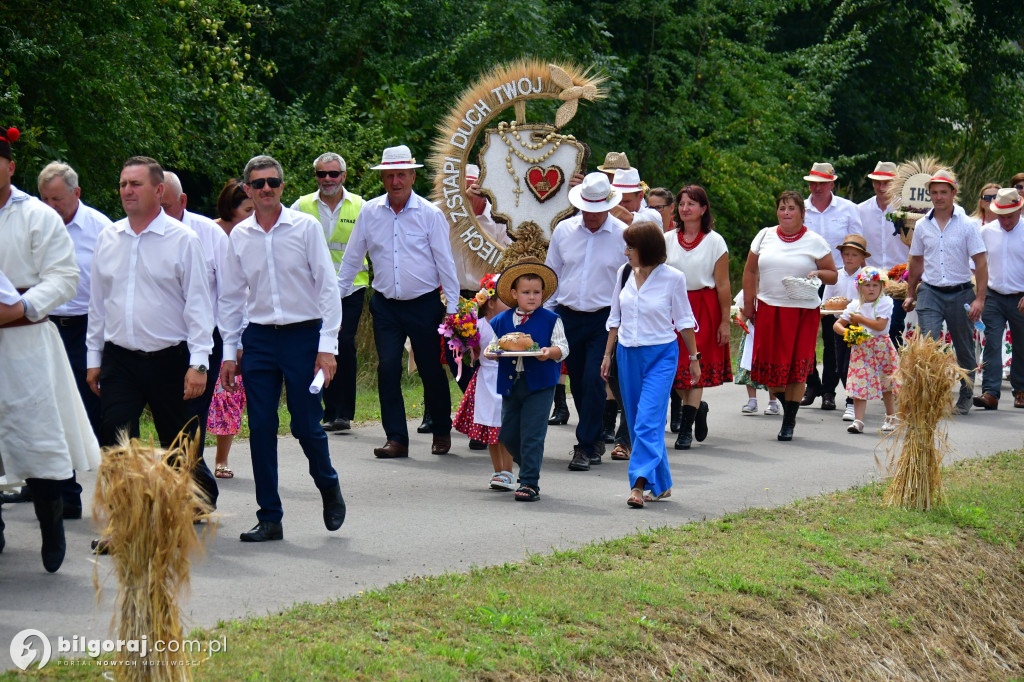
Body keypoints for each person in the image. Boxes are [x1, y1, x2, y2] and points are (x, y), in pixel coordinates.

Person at [219, 154, 346, 542]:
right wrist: (229, 349)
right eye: (258, 184)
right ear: (248, 191)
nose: (266, 189)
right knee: (259, 427)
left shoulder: (304, 228)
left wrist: (328, 346)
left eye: (273, 182)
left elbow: (328, 287)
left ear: (283, 186)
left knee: (306, 425)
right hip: (258, 339)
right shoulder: (239, 237)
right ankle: (270, 516)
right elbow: (231, 297)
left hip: (303, 337)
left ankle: (328, 485)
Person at [86, 156, 218, 509]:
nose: (127, 190)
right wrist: (93, 359)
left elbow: (199, 307)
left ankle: (184, 510)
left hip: (170, 360)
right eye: (123, 184)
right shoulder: (108, 237)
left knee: (181, 443)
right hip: (120, 359)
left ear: (159, 190)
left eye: (136, 184)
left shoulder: (183, 240)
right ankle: (124, 522)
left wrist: (199, 363)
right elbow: (98, 305)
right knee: (116, 443)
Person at [0, 127, 100, 572]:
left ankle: (51, 521)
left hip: (26, 343)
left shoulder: (36, 215)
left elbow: (65, 277)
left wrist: (23, 306)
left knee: (37, 437)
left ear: (10, 166)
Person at [337, 145, 460, 458]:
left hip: (425, 304)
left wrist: (454, 310)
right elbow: (352, 259)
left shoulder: (430, 214)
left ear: (412, 176)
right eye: (390, 175)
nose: (395, 181)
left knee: (431, 368)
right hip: (386, 305)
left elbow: (446, 263)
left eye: (401, 175)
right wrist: (334, 300)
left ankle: (441, 430)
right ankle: (396, 438)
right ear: (383, 178)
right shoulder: (370, 212)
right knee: (388, 367)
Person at [602, 221, 698, 508]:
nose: (625, 252)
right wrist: (608, 355)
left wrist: (694, 359)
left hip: (661, 356)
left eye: (630, 247)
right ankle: (663, 482)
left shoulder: (673, 278)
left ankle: (638, 484)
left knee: (647, 421)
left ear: (646, 249)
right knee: (637, 423)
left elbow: (684, 321)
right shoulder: (623, 274)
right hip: (627, 355)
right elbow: (614, 318)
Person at [34, 160, 111, 517]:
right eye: (45, 199)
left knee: (95, 410)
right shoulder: (33, 225)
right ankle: (66, 493)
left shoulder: (101, 229)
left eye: (58, 199)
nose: (50, 207)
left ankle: (111, 493)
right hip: (44, 326)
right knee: (52, 411)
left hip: (89, 329)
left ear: (76, 193)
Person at [545, 172, 628, 471]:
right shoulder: (564, 231)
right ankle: (593, 440)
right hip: (567, 316)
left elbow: (629, 280)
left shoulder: (622, 234)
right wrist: (547, 316)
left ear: (608, 206)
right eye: (587, 209)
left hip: (604, 320)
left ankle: (583, 446)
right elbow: (551, 275)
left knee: (596, 378)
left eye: (597, 210)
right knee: (579, 382)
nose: (591, 216)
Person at [742, 190, 838, 441]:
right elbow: (750, 271)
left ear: (802, 213)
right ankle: (789, 408)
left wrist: (817, 274)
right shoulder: (765, 235)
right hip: (768, 309)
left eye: (791, 208)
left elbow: (832, 274)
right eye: (782, 208)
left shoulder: (814, 241)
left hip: (802, 312)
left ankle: (789, 421)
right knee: (769, 372)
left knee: (796, 368)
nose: (786, 213)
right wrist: (749, 303)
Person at [292, 152, 366, 433]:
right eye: (321, 174)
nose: (327, 179)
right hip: (313, 291)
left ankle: (342, 413)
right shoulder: (300, 206)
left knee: (343, 345)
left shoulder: (360, 206)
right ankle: (321, 410)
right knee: (316, 347)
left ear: (343, 176)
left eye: (333, 174)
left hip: (350, 289)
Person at [903, 169, 988, 415]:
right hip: (930, 290)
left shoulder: (968, 225)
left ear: (953, 193)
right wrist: (911, 292)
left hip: (961, 292)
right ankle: (932, 393)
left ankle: (966, 391)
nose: (939, 197)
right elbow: (916, 260)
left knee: (963, 346)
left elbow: (981, 263)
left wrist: (980, 298)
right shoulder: (921, 225)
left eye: (944, 192)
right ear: (929, 194)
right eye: (934, 193)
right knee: (929, 343)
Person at [485, 259, 568, 501]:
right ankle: (530, 464)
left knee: (533, 433)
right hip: (511, 384)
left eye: (536, 292)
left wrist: (548, 353)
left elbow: (562, 348)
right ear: (514, 294)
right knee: (508, 433)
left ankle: (530, 482)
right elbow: (493, 346)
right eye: (526, 292)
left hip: (540, 384)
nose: (532, 297)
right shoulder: (502, 320)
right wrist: (491, 352)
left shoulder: (552, 319)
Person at [160, 171, 229, 455]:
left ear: (183, 200)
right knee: (167, 414)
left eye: (165, 207)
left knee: (192, 413)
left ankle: (189, 476)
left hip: (203, 338)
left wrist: (234, 345)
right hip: (159, 341)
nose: (159, 214)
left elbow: (232, 293)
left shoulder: (209, 232)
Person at [664, 185, 731, 450]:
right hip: (672, 307)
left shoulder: (715, 241)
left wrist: (725, 321)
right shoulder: (668, 238)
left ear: (703, 209)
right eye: (681, 204)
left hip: (703, 306)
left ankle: (686, 430)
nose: (685, 208)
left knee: (695, 367)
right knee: (673, 369)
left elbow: (723, 284)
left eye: (691, 204)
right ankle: (697, 407)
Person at [801, 162, 863, 410]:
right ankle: (811, 382)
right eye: (813, 183)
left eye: (822, 183)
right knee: (804, 335)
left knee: (832, 334)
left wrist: (859, 280)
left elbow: (856, 246)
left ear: (831, 184)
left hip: (837, 279)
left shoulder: (848, 209)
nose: (816, 188)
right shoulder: (801, 208)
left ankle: (829, 390)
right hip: (805, 277)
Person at [207, 178, 253, 478]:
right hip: (203, 327)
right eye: (248, 209)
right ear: (230, 209)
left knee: (229, 394)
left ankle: (221, 459)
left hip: (238, 327)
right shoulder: (208, 233)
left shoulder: (254, 236)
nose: (255, 213)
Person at [452, 274, 515, 489]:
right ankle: (498, 471)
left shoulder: (511, 325)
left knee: (504, 429)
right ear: (490, 303)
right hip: (484, 383)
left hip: (505, 380)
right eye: (505, 299)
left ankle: (508, 471)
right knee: (490, 429)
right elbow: (471, 351)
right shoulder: (476, 326)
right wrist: (465, 340)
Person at [974, 187, 1024, 409]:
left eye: (1010, 217)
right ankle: (990, 392)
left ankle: (1021, 390)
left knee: (1022, 343)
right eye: (1001, 217)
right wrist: (981, 295)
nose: (1005, 221)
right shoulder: (987, 232)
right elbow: (978, 265)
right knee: (992, 342)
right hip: (993, 294)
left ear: (1019, 210)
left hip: (1021, 295)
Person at [833, 267, 899, 434]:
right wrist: (848, 332)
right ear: (860, 287)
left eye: (875, 285)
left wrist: (860, 319)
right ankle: (858, 421)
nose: (871, 289)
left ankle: (891, 416)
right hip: (861, 349)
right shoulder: (855, 305)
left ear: (882, 287)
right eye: (867, 285)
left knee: (886, 384)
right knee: (859, 383)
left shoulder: (885, 302)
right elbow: (837, 325)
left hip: (881, 347)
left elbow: (880, 325)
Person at [857, 161, 908, 347]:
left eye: (886, 182)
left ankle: (893, 370)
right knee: (871, 327)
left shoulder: (907, 210)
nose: (881, 187)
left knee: (895, 326)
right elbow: (858, 244)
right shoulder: (861, 210)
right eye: (877, 182)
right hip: (872, 277)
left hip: (900, 279)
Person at [822, 234, 868, 421]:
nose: (849, 258)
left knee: (853, 364)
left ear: (862, 258)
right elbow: (826, 301)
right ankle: (849, 396)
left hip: (858, 326)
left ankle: (851, 402)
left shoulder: (866, 277)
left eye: (854, 255)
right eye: (846, 254)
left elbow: (871, 300)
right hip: (838, 326)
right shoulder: (836, 276)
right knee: (840, 366)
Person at [733, 291, 780, 416]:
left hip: (770, 334)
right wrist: (739, 320)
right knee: (749, 367)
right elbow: (742, 311)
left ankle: (773, 402)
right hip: (751, 334)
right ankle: (752, 401)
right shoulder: (749, 289)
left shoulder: (773, 287)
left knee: (770, 367)